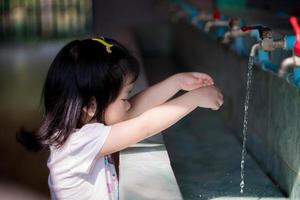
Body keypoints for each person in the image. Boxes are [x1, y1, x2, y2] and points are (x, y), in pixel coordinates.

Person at [17, 36, 224, 200]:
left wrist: (177, 82)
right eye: (125, 96)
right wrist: (193, 99)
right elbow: (143, 126)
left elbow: (131, 110)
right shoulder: (80, 142)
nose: (128, 102)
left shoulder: (80, 128)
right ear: (90, 106)